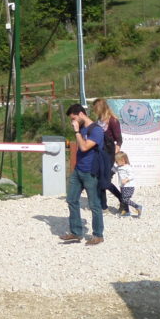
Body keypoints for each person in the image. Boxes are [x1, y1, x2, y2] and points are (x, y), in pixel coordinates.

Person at [59, 103, 105, 246]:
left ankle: (98, 234)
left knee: (94, 204)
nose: (72, 122)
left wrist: (77, 132)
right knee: (72, 200)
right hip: (78, 170)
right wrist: (79, 132)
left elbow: (84, 147)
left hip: (90, 172)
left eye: (73, 118)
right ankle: (76, 232)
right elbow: (80, 146)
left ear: (80, 114)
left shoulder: (96, 130)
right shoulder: (83, 128)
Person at [91, 98, 124, 213]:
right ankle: (103, 206)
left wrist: (116, 149)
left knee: (105, 180)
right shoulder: (98, 120)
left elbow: (119, 139)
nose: (93, 110)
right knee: (100, 179)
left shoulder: (113, 121)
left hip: (108, 153)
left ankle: (121, 198)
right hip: (99, 152)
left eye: (95, 108)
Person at [113, 151, 142, 218]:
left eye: (117, 161)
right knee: (123, 199)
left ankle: (137, 206)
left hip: (129, 186)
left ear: (123, 160)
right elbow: (114, 169)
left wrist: (126, 179)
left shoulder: (127, 167)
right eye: (115, 161)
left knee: (125, 199)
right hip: (122, 186)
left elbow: (132, 175)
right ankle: (127, 212)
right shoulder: (119, 167)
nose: (116, 163)